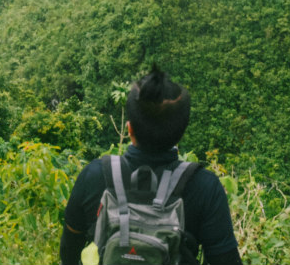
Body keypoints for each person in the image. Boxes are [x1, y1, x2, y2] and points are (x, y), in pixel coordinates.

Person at [59, 66, 242, 264]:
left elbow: (69, 249)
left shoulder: (94, 175)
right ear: (181, 132)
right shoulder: (205, 187)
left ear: (129, 129)